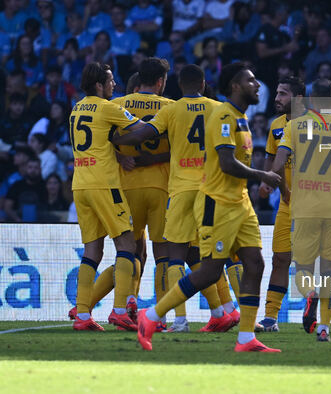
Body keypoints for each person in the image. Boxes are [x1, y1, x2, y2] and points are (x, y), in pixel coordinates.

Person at [135, 62, 282, 352]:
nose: (258, 86)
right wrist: (262, 176)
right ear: (235, 86)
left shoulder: (240, 117)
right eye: (251, 81)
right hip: (217, 202)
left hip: (240, 202)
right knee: (210, 271)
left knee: (255, 263)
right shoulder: (223, 114)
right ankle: (150, 316)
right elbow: (227, 163)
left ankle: (246, 337)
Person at [112, 63, 241, 333]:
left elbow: (145, 133)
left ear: (179, 85)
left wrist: (115, 141)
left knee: (172, 256)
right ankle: (225, 310)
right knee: (208, 254)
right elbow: (235, 149)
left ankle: (179, 320)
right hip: (212, 189)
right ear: (204, 84)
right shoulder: (219, 109)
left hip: (180, 189)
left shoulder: (171, 109)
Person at [272, 78, 331, 342]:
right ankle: (325, 328)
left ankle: (310, 294)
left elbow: (279, 163)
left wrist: (271, 179)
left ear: (311, 100)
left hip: (304, 207)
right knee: (330, 269)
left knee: (303, 267)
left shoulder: (294, 126)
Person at [70, 62, 147, 332]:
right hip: (105, 184)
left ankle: (82, 316)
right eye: (111, 80)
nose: (115, 85)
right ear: (99, 85)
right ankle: (118, 311)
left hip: (80, 184)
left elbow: (100, 138)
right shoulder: (109, 108)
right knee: (127, 245)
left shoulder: (76, 108)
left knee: (92, 250)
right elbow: (142, 129)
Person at [255, 76, 305, 332]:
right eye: (276, 93)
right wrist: (266, 184)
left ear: (297, 98)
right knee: (280, 259)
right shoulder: (276, 126)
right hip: (286, 205)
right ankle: (270, 318)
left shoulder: (312, 125)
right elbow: (271, 161)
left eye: (283, 94)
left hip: (312, 205)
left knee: (312, 262)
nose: (276, 99)